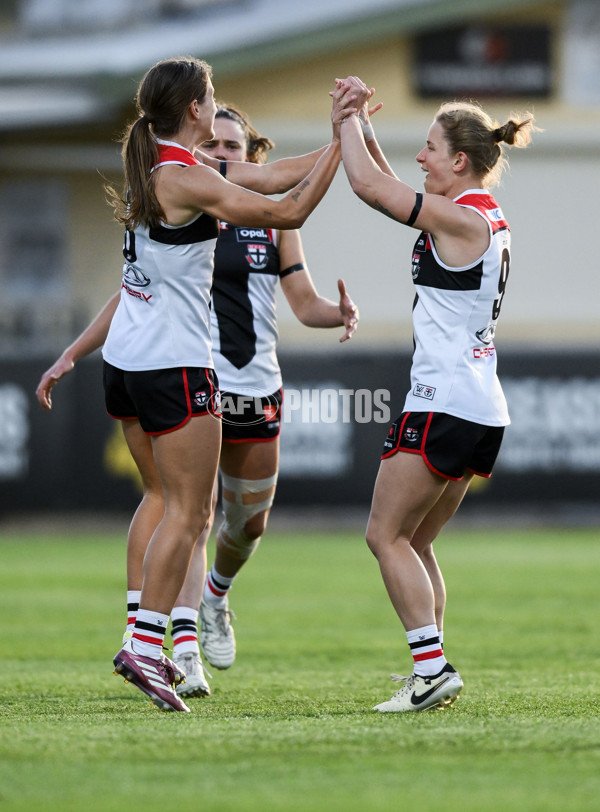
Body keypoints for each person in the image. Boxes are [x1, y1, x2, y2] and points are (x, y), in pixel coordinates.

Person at [36, 66, 358, 713]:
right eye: (211, 98)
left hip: (126, 363)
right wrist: (346, 138)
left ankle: (148, 634)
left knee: (163, 499)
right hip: (174, 367)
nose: (218, 107)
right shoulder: (185, 177)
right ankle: (150, 648)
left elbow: (270, 179)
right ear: (193, 109)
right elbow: (286, 206)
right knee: (193, 512)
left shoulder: (159, 169)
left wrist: (343, 134)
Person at [331, 76, 536, 712]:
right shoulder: (478, 215)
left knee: (384, 535)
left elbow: (371, 188)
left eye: (428, 148)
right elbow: (393, 186)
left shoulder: (460, 217)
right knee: (415, 543)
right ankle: (432, 666)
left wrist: (341, 119)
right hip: (478, 404)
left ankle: (432, 668)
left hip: (443, 399)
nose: (420, 158)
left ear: (459, 161)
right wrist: (361, 124)